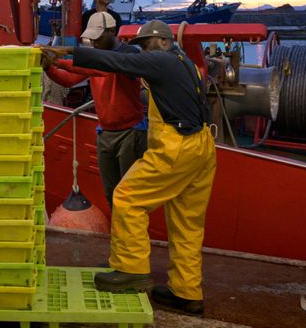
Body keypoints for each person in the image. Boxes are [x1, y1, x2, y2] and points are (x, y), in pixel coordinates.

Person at [42, 20, 216, 315]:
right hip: (202, 146)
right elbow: (118, 62)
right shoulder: (184, 63)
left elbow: (117, 60)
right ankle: (187, 292)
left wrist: (64, 50)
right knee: (186, 224)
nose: (145, 52)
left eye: (147, 45)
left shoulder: (161, 60)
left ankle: (131, 270)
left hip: (177, 147)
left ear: (163, 42)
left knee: (126, 198)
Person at [42, 12, 147, 209]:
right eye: (92, 38)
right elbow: (68, 80)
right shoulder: (95, 60)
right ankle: (120, 234)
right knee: (111, 193)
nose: (95, 42)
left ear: (112, 31)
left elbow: (101, 67)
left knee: (130, 194)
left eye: (98, 37)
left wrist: (59, 60)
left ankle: (131, 237)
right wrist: (49, 68)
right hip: (105, 133)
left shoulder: (129, 55)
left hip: (130, 133)